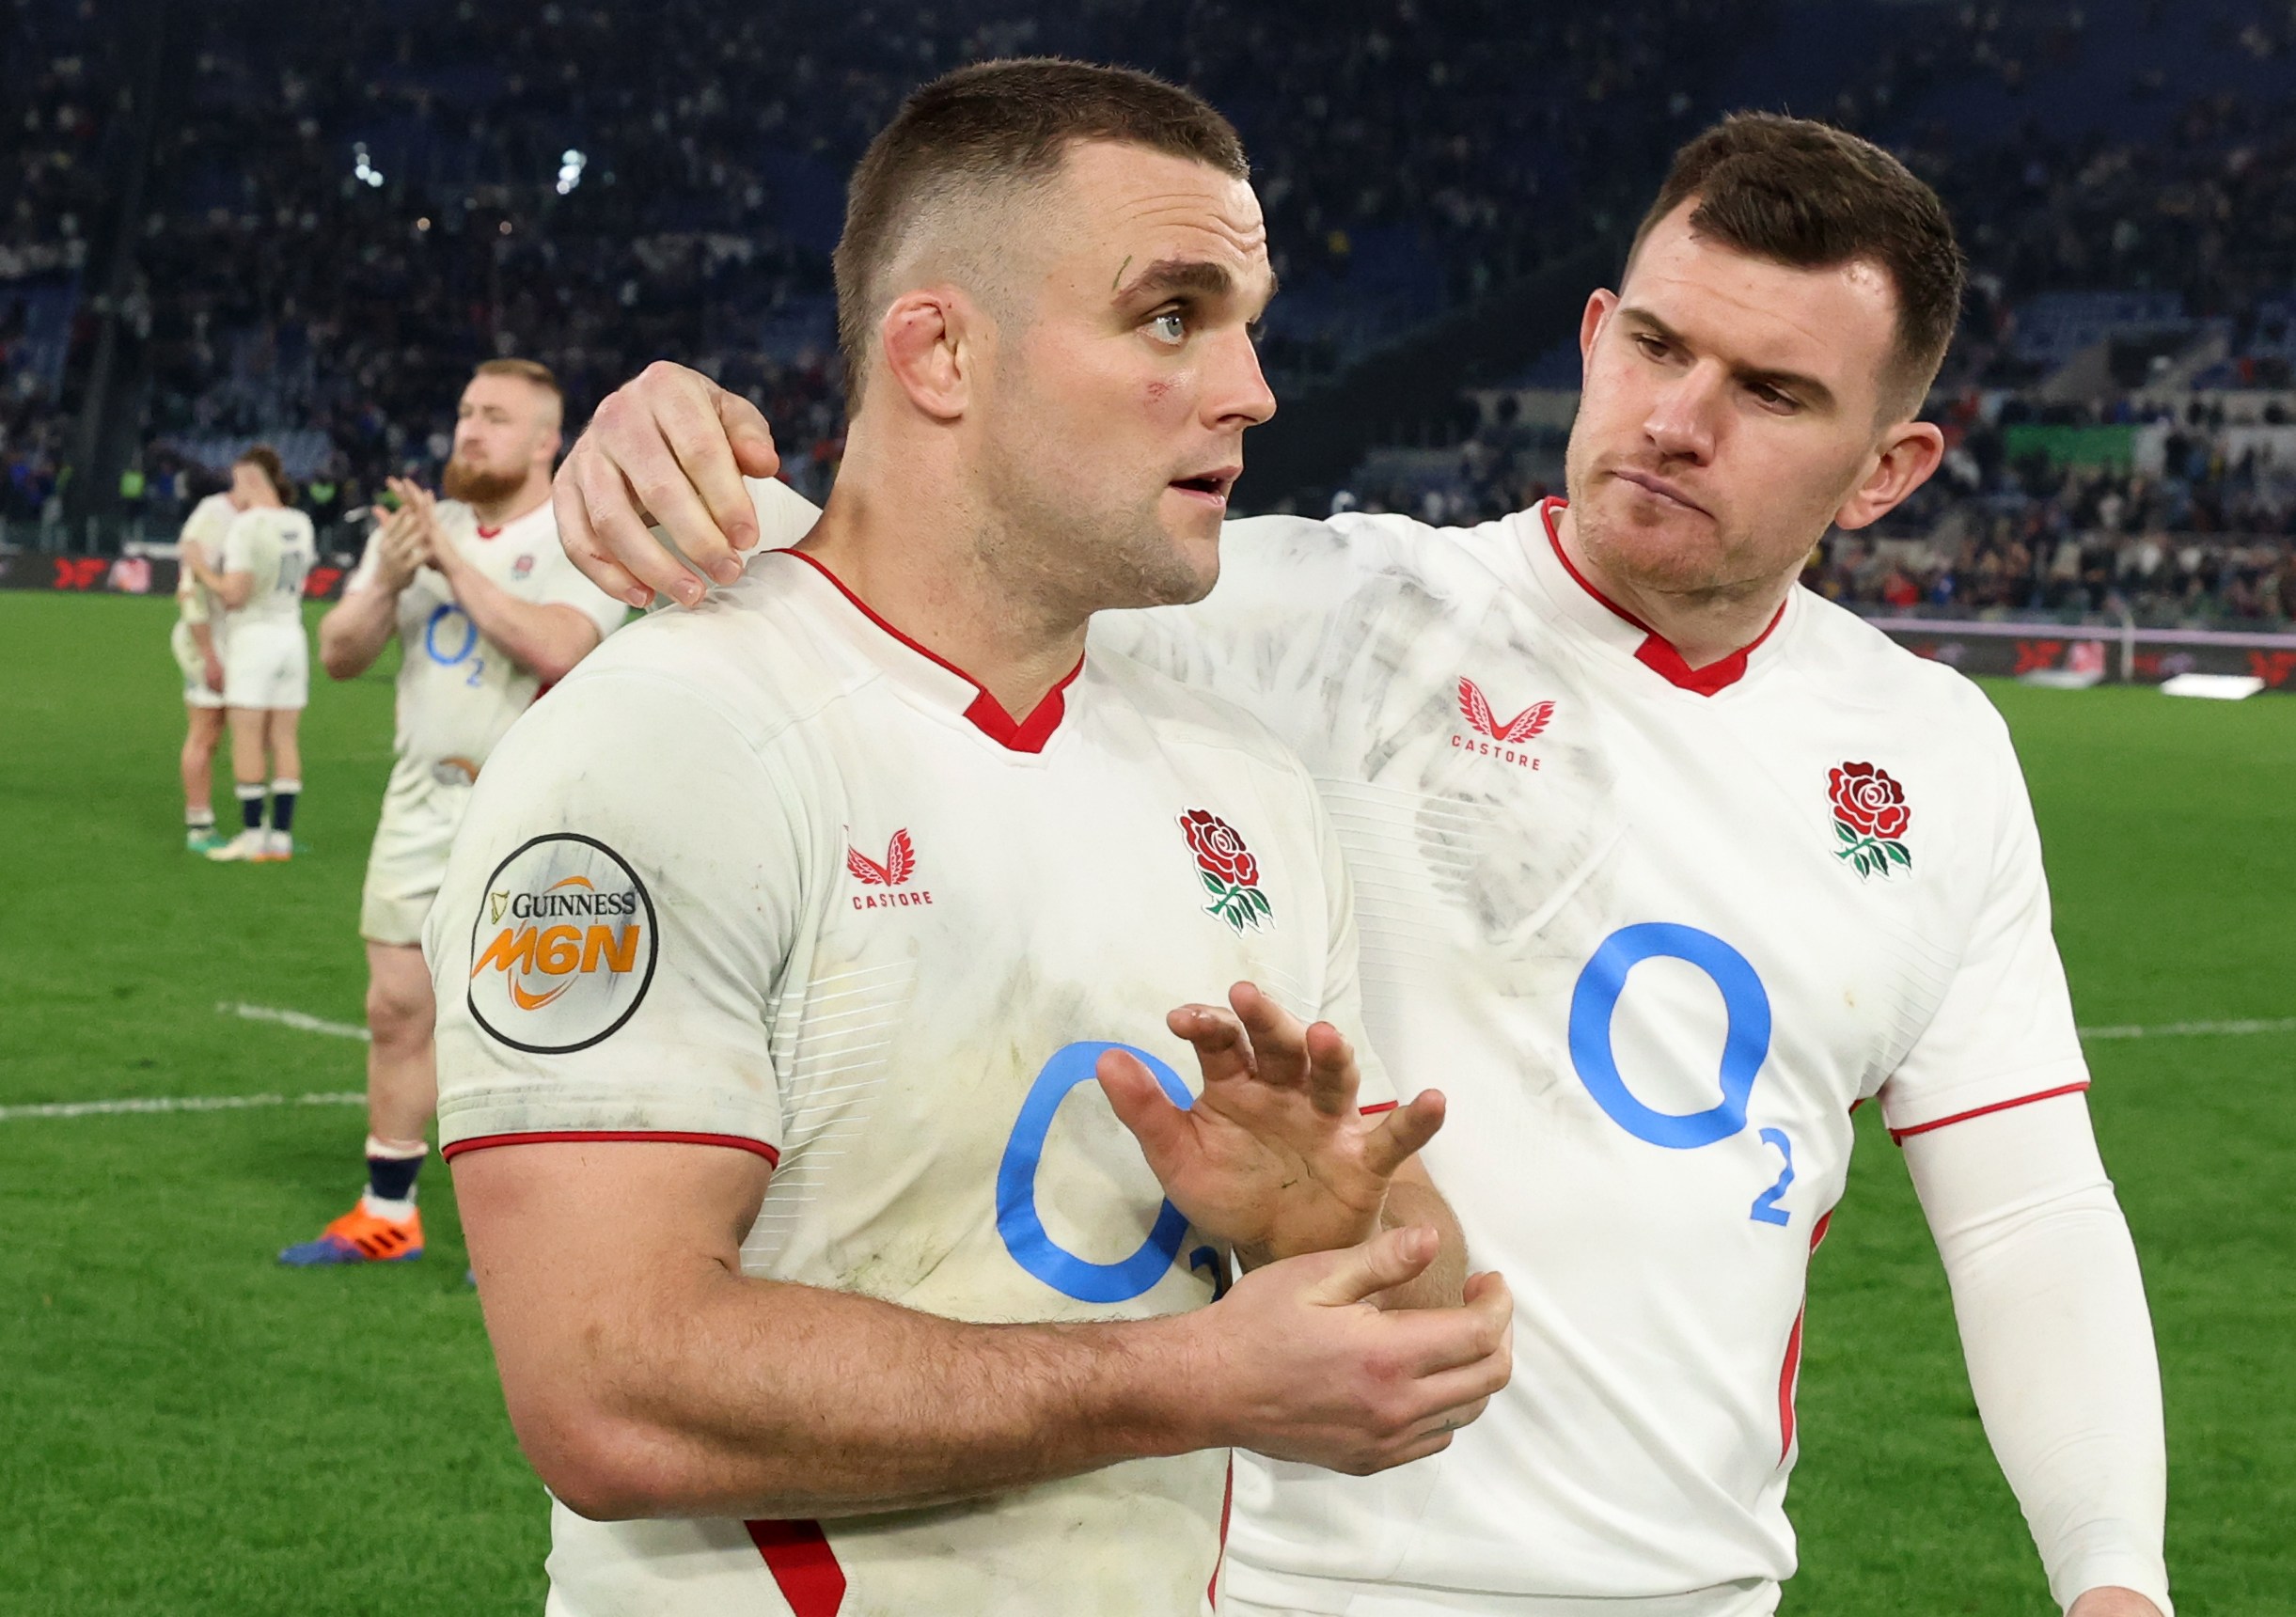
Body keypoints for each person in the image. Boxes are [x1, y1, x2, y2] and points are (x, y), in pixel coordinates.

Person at [556, 113, 2173, 1617]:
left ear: (1888, 469)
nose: (1677, 423)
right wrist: (684, 450)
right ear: (1593, 335)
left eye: (1770, 393)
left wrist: (2114, 1579)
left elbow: (2025, 1213)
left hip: (1686, 1588)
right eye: (1656, 347)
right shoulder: (1301, 617)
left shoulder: (1933, 757)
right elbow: (927, 563)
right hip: (1268, 1575)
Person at [428, 60, 1513, 1617]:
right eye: (1170, 315)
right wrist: (1184, 1379)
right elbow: (609, 1390)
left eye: (1247, 322)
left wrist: (1319, 1231)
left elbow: (1413, 1328)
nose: (1251, 388)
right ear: (937, 352)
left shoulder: (1245, 789)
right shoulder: (666, 740)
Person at [276, 359, 631, 1267]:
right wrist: (390, 578)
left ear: (547, 441)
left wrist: (448, 561)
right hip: (421, 802)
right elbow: (341, 654)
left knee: (533, 1023)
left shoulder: (583, 534)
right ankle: (388, 1213)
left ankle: (528, 1228)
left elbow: (559, 645)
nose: (470, 429)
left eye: (496, 417)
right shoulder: (416, 532)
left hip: (541, 818)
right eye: (467, 411)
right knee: (398, 1008)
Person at [187, 447, 315, 864]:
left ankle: (252, 836)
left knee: (247, 738)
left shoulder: (248, 526)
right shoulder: (300, 522)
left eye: (237, 482)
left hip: (254, 638)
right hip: (292, 635)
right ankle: (282, 838)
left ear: (252, 479)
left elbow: (235, 595)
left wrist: (201, 569)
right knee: (285, 738)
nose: (233, 493)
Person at [170, 480, 245, 851]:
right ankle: (199, 824)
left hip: (245, 644)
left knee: (257, 732)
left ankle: (261, 825)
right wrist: (209, 655)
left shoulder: (259, 521)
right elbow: (190, 593)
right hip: (209, 643)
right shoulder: (214, 518)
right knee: (207, 732)